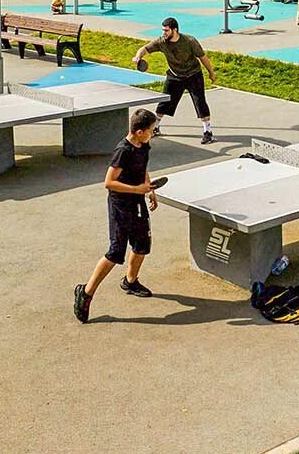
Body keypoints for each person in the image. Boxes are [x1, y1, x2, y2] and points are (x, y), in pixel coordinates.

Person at [73, 108, 165, 322]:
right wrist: (137, 190)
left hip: (138, 200)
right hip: (121, 205)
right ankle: (85, 293)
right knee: (115, 252)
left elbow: (142, 168)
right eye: (151, 130)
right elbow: (109, 182)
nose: (153, 132)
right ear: (140, 131)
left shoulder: (143, 145)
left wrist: (148, 188)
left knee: (142, 245)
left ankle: (130, 281)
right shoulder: (123, 150)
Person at [133, 18, 217, 144]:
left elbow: (203, 57)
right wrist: (138, 56)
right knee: (164, 103)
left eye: (166, 30)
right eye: (163, 30)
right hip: (175, 75)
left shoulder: (190, 41)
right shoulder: (161, 42)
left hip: (193, 75)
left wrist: (211, 73)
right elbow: (145, 48)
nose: (164, 33)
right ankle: (155, 127)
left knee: (200, 102)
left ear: (175, 30)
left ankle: (207, 132)